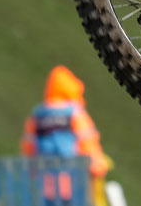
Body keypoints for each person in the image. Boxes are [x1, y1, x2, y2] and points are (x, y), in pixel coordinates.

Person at [21, 66, 112, 206]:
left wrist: (31, 173)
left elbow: (29, 146)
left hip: (45, 181)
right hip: (72, 178)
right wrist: (97, 166)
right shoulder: (74, 113)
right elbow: (87, 141)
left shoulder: (38, 115)